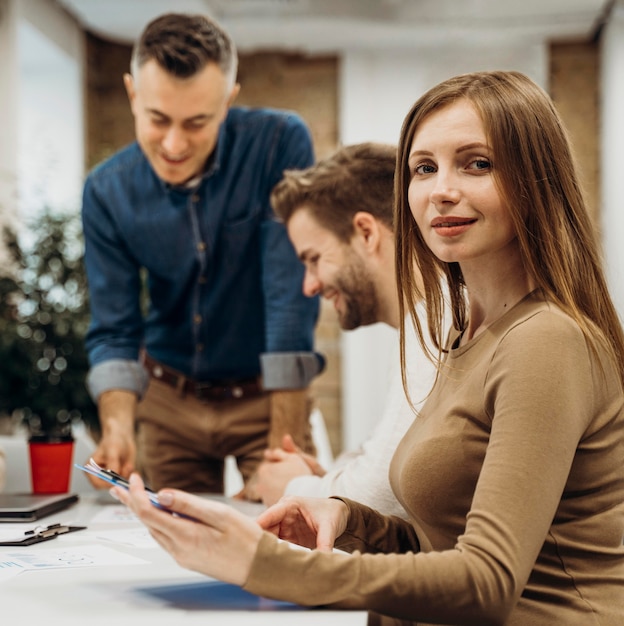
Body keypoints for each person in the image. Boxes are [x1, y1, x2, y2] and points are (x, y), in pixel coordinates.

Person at [112, 70, 624, 625]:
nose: (441, 189)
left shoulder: (546, 340)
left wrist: (263, 564)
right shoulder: (465, 338)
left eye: (476, 163)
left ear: (533, 180)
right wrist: (346, 518)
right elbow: (440, 543)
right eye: (424, 168)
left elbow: (488, 582)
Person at [81, 12, 322, 497]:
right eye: (157, 119)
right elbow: (115, 326)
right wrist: (119, 427)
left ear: (228, 101)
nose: (173, 144)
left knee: (289, 540)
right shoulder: (106, 191)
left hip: (265, 398)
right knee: (169, 554)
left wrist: (283, 444)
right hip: (168, 401)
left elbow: (288, 298)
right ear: (132, 94)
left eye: (197, 122)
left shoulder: (279, 143)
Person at [252, 142, 438, 515]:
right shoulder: (426, 323)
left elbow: (381, 496)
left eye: (314, 259)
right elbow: (388, 462)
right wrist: (329, 479)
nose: (309, 286)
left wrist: (290, 486)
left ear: (366, 233)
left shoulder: (441, 324)